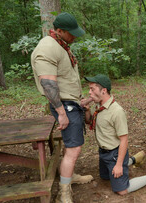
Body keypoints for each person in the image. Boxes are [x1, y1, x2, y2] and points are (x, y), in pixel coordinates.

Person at [31, 12, 93, 203]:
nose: (74, 36)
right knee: (74, 149)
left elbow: (66, 78)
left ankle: (69, 175)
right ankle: (64, 192)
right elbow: (48, 84)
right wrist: (61, 113)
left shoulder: (62, 45)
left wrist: (81, 101)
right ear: (59, 31)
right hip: (64, 106)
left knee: (71, 145)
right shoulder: (47, 48)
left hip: (71, 103)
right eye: (71, 33)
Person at [83, 74, 146, 195]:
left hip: (114, 154)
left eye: (92, 89)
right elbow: (89, 121)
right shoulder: (99, 105)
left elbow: (124, 140)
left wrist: (119, 165)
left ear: (103, 90)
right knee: (104, 177)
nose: (89, 92)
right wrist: (86, 110)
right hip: (103, 152)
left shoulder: (117, 111)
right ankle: (133, 159)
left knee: (121, 190)